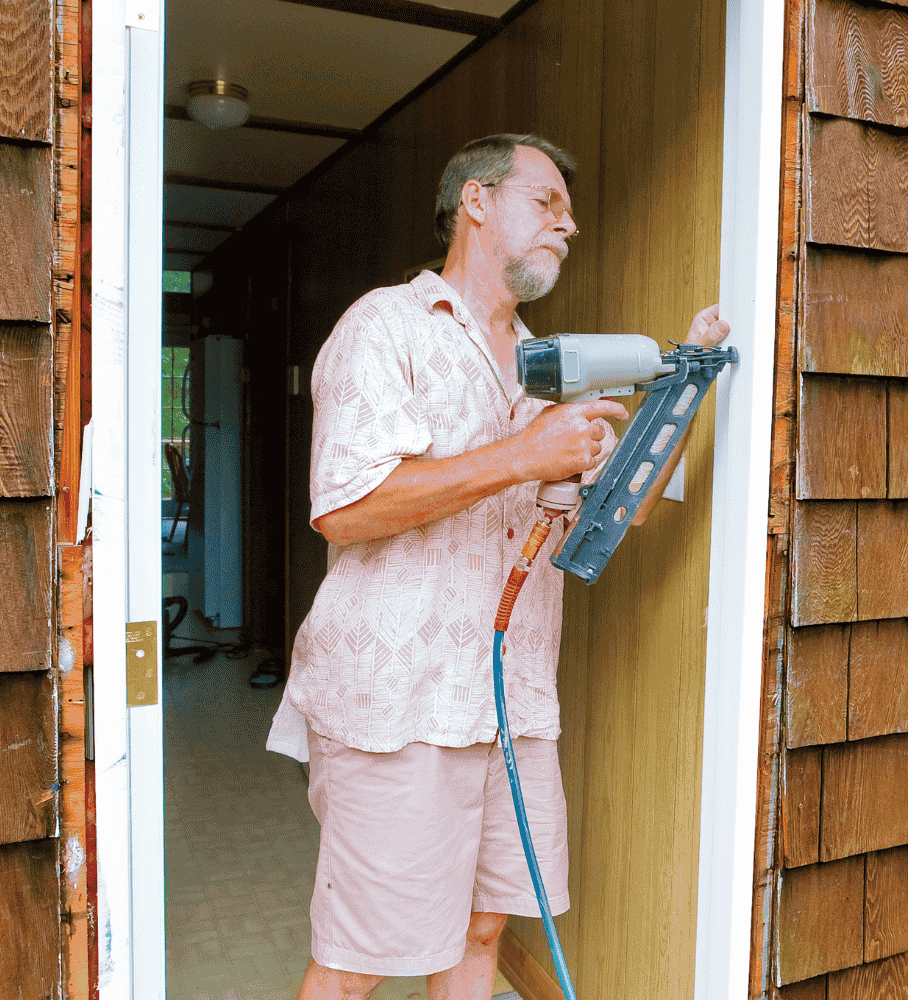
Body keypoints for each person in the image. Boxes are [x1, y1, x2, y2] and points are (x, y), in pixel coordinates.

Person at [268, 133, 730, 1000]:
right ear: (476, 202)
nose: (572, 224)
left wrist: (687, 385)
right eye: (548, 203)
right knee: (360, 958)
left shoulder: (540, 362)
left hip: (512, 705)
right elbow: (345, 506)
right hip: (397, 706)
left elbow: (610, 510)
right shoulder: (385, 326)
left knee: (481, 933)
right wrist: (525, 453)